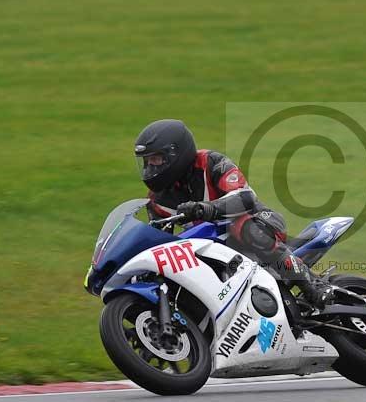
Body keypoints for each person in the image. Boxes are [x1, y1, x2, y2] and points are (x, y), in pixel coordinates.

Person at [133, 119, 333, 308]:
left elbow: (245, 197)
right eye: (147, 161)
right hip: (214, 247)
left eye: (157, 159)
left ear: (176, 154)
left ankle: (311, 283)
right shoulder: (156, 201)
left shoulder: (211, 162)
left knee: (243, 226)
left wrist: (207, 208)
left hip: (260, 221)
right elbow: (159, 242)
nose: (151, 167)